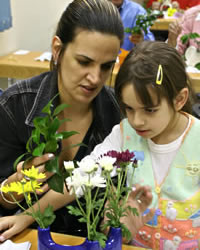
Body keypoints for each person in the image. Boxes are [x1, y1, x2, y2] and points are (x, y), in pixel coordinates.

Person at [0, 0, 125, 241]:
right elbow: (3, 203)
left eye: (106, 67)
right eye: (84, 62)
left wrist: (118, 203)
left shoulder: (119, 113)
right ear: (57, 49)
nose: (95, 78)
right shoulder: (16, 107)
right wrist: (13, 189)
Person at [82, 40, 200, 249]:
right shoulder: (123, 134)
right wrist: (29, 214)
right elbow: (83, 176)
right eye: (128, 108)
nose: (136, 120)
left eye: (150, 110)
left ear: (180, 99)